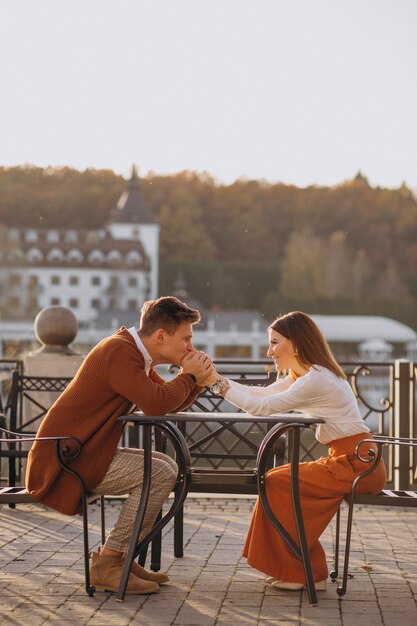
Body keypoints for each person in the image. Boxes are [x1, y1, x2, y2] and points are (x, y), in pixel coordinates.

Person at [26, 296, 214, 595]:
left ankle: (120, 556)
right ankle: (109, 564)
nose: (191, 347)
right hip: (64, 461)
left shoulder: (133, 351)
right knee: (160, 473)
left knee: (165, 466)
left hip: (82, 449)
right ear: (161, 336)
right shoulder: (120, 352)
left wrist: (196, 381)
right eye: (187, 339)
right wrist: (189, 375)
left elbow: (163, 399)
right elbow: (155, 403)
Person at [204, 311, 386, 591]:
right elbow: (259, 395)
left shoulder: (317, 379)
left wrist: (216, 384)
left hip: (359, 464)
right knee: (277, 478)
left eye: (275, 343)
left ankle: (304, 573)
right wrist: (215, 379)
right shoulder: (306, 374)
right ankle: (305, 571)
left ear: (297, 344)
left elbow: (261, 408)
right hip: (350, 460)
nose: (269, 351)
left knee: (278, 482)